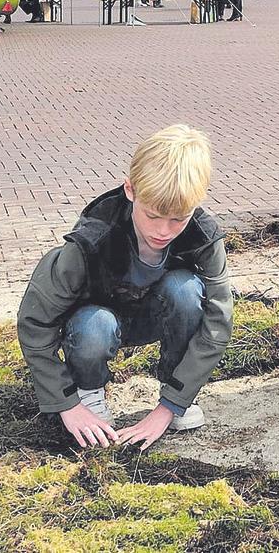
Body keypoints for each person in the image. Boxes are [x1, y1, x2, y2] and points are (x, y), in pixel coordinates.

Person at [17, 125, 233, 451]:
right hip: (94, 323)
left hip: (156, 314)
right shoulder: (91, 239)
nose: (163, 231)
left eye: (178, 219)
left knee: (187, 291)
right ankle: (89, 392)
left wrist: (167, 408)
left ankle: (176, 391)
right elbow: (34, 323)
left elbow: (219, 322)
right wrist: (67, 404)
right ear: (130, 190)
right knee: (95, 325)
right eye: (153, 215)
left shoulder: (204, 237)